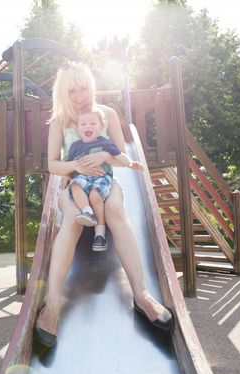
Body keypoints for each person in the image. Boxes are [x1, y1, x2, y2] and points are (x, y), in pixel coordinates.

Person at [34, 62, 173, 349]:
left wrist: (101, 159)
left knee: (115, 210)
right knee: (72, 219)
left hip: (107, 183)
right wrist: (76, 165)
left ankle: (142, 293)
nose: (78, 95)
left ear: (91, 85)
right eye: (71, 90)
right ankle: (51, 305)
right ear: (63, 92)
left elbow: (120, 154)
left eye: (83, 88)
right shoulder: (60, 121)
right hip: (73, 184)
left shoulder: (107, 115)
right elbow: (52, 165)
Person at [67, 106, 144, 252]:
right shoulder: (75, 147)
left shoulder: (104, 142)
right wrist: (66, 178)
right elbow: (71, 165)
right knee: (75, 186)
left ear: (100, 127)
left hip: (101, 176)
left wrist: (130, 163)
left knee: (95, 195)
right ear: (77, 128)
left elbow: (118, 155)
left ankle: (100, 234)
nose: (87, 126)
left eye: (93, 123)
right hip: (82, 177)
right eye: (83, 124)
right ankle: (87, 211)